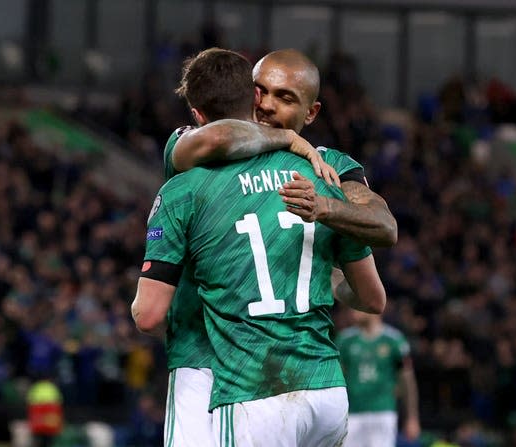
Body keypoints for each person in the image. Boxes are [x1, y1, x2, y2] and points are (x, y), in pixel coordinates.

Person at [132, 48, 385, 446]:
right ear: (249, 94)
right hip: (309, 378)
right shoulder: (324, 172)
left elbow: (147, 315)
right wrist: (291, 143)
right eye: (261, 92)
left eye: (284, 98)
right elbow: (372, 295)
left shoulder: (189, 173)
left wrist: (325, 254)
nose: (266, 105)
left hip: (233, 373)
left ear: (312, 112)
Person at [335, 309, 420, 447]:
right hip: (352, 413)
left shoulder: (394, 340)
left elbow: (407, 381)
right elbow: (337, 379)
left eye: (359, 305)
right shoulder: (344, 340)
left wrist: (412, 418)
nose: (354, 310)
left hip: (383, 411)